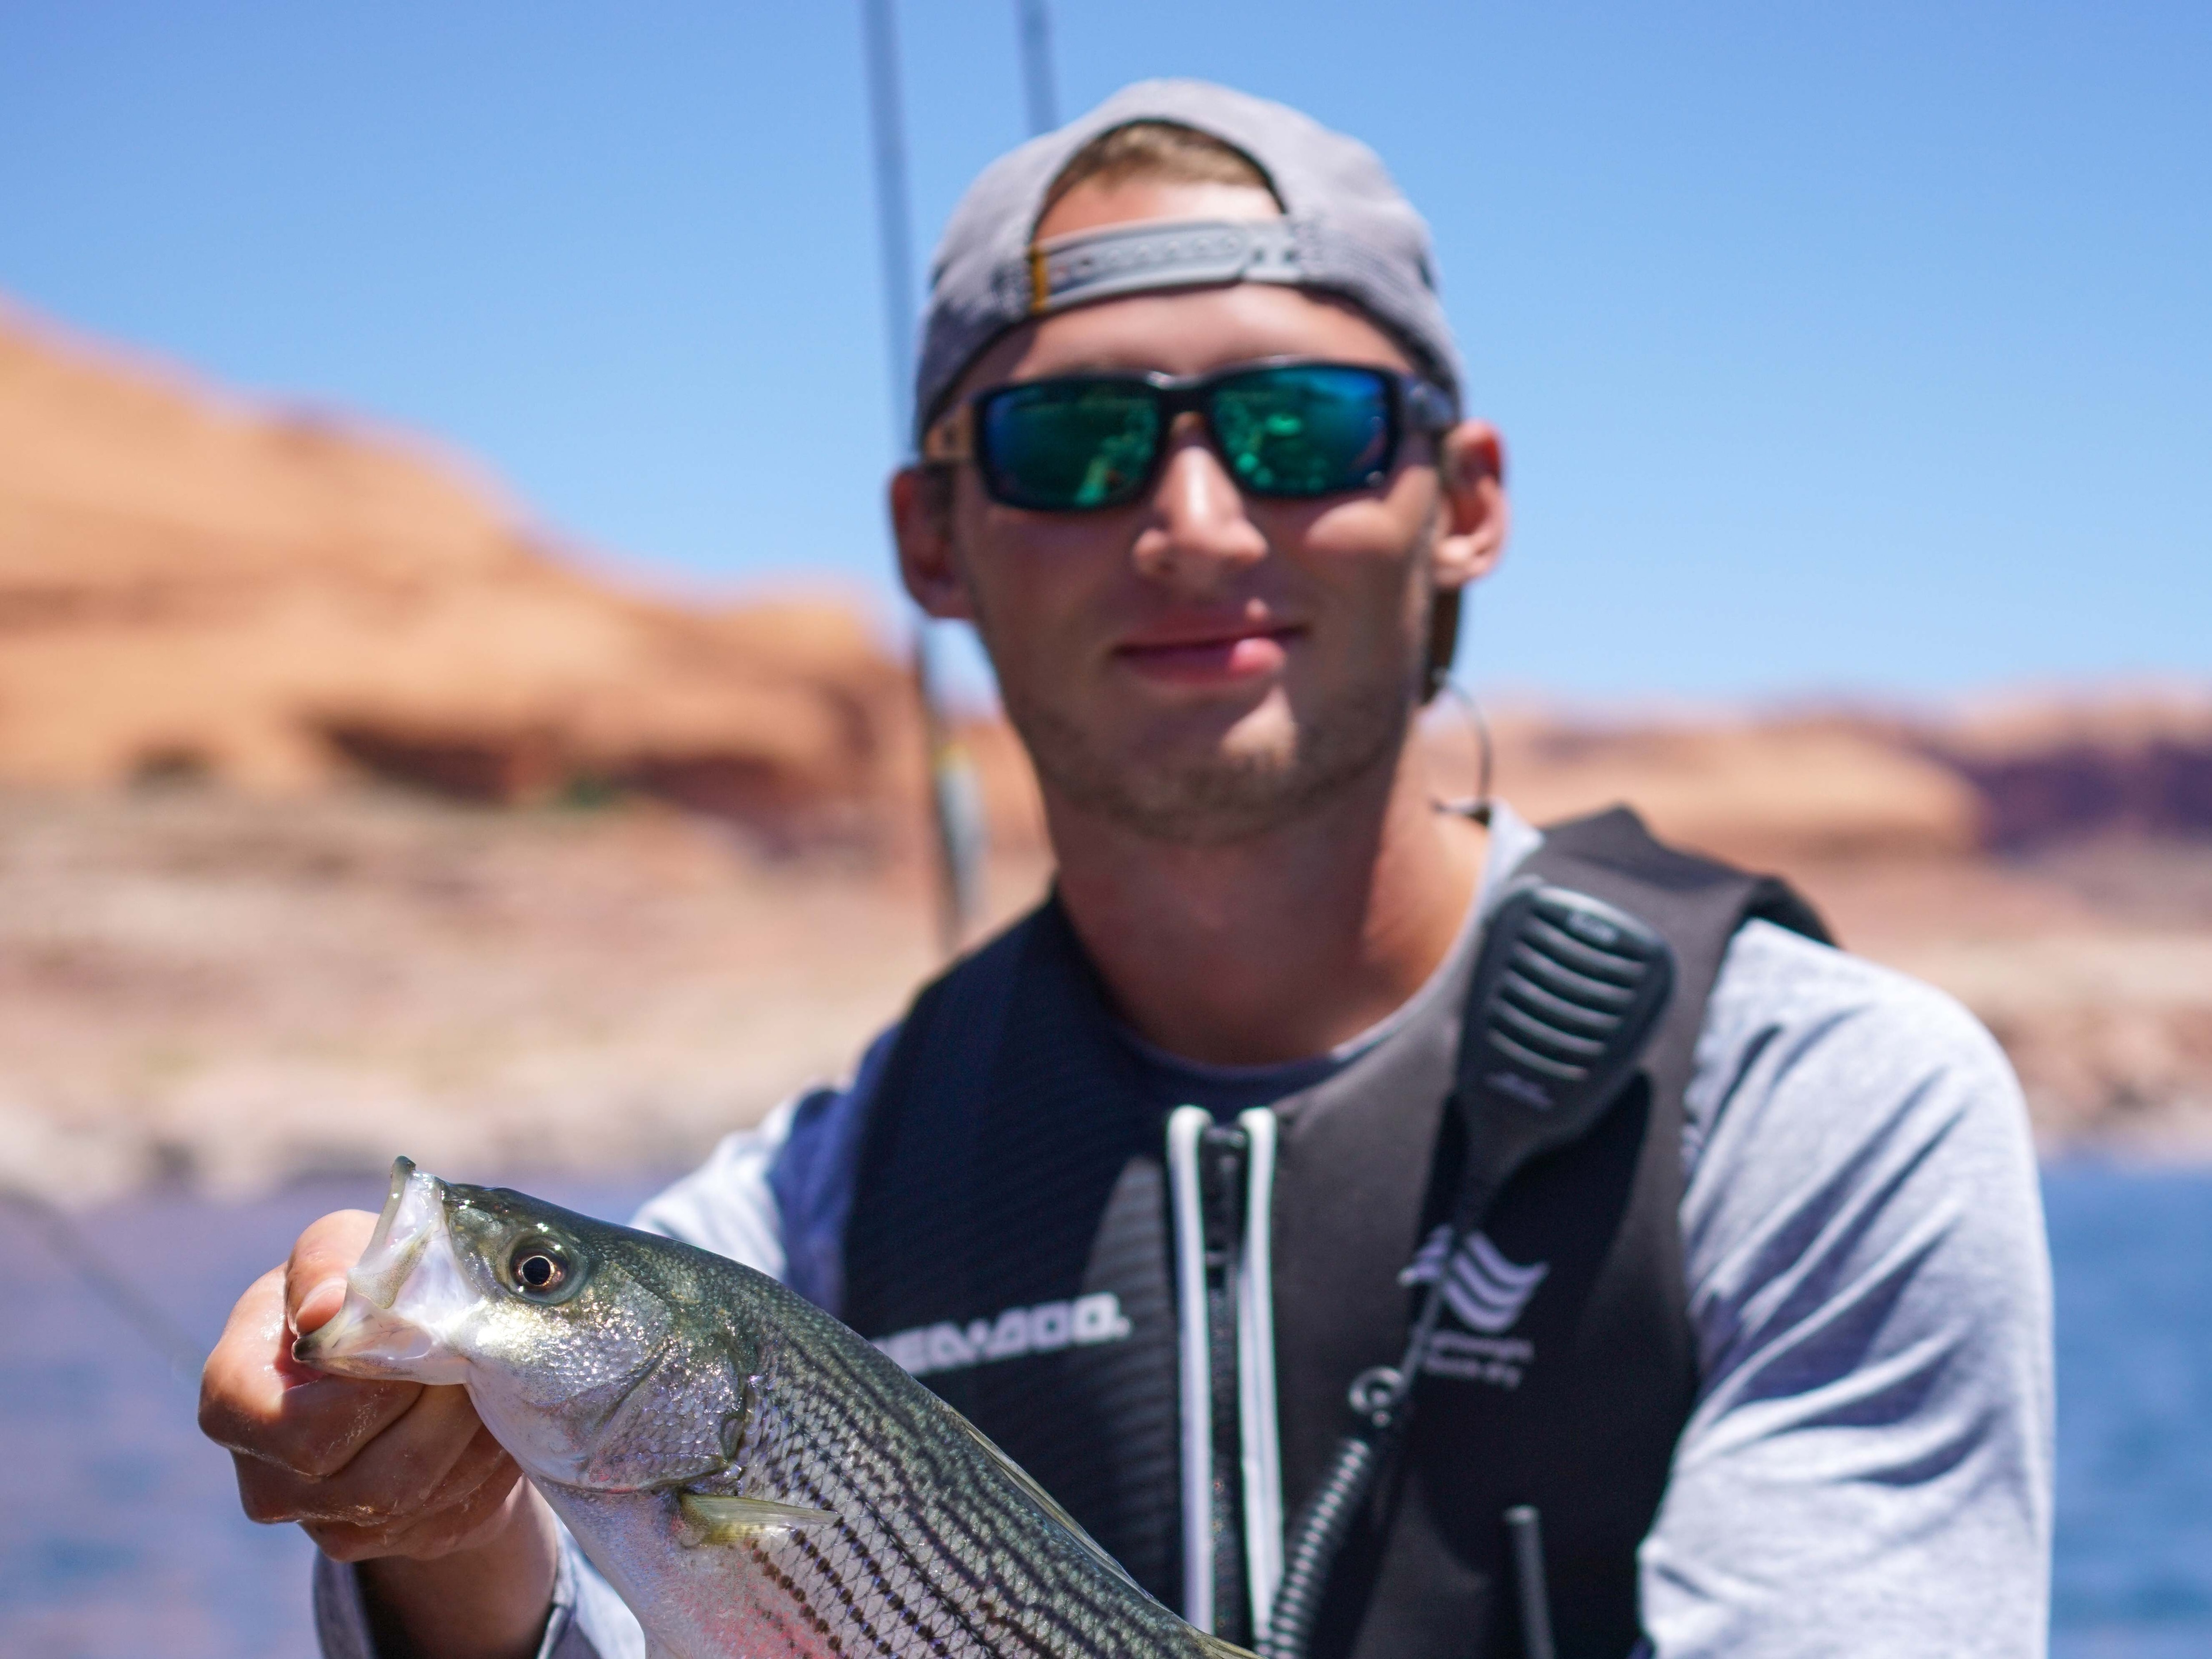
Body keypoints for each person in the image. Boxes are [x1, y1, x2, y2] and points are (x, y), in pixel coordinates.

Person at [200, 81, 2054, 1659]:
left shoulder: (1816, 1104)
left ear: (1461, 500)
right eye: (1071, 440)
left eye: (1299, 426)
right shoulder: (813, 1204)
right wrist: (436, 1529)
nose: (1190, 520)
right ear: (932, 535)